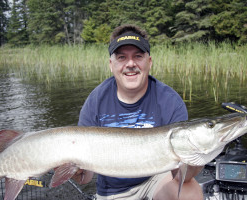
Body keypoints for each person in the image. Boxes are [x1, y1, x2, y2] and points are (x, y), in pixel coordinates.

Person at [73, 24, 203, 200]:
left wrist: (195, 161)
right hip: (112, 191)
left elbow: (180, 177)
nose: (131, 64)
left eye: (138, 56)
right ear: (112, 65)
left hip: (157, 179)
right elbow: (84, 177)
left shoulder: (170, 101)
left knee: (189, 193)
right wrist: (74, 169)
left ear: (149, 62)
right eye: (122, 57)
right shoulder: (96, 101)